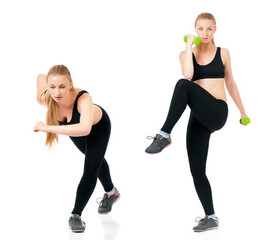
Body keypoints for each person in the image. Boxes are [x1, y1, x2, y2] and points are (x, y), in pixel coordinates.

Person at [144, 12, 249, 232]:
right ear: (195, 29)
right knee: (197, 171)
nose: (205, 33)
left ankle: (164, 134)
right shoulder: (186, 54)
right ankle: (211, 217)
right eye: (200, 29)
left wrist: (242, 110)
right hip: (199, 116)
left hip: (217, 110)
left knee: (182, 86)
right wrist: (188, 47)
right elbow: (189, 75)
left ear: (215, 30)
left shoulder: (224, 53)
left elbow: (230, 81)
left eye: (209, 28)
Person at [34, 65, 120, 233]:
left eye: (62, 86)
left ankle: (75, 215)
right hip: (75, 130)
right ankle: (112, 193)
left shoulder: (83, 99)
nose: (57, 92)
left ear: (71, 84)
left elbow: (84, 129)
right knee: (95, 160)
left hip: (97, 128)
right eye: (52, 86)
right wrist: (51, 80)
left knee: (90, 169)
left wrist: (48, 128)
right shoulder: (45, 97)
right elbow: (40, 76)